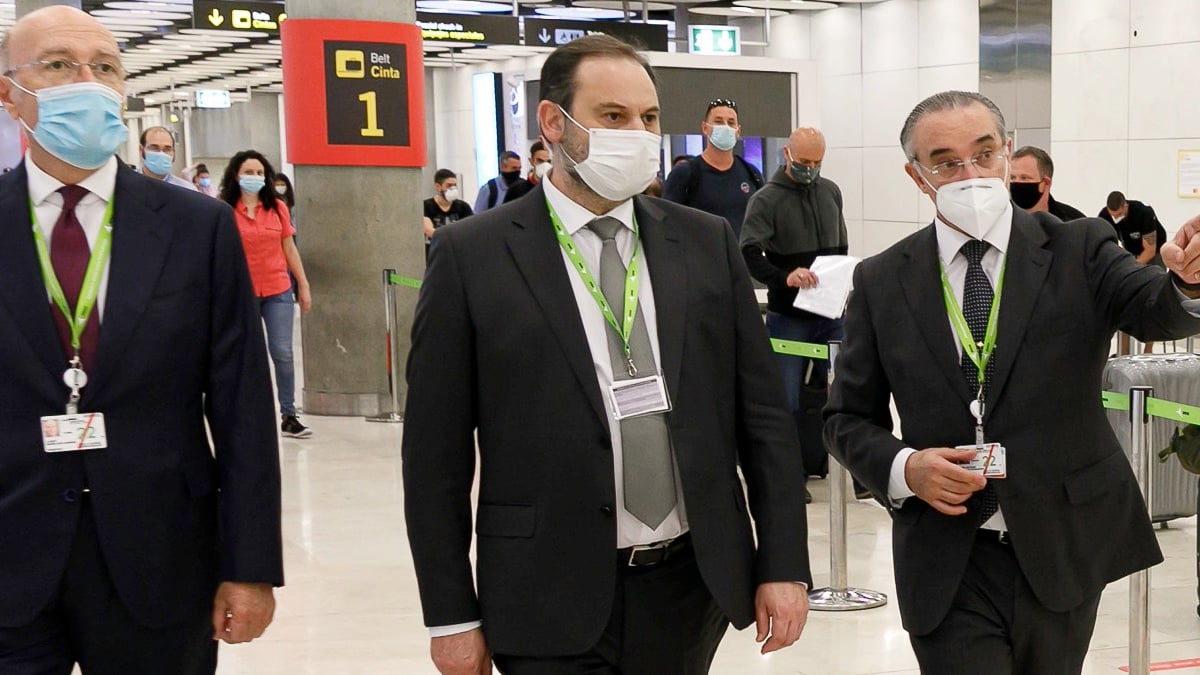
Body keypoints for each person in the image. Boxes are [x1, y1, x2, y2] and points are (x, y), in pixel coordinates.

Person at [403, 34, 811, 675]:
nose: (638, 134)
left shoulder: (704, 243)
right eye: (613, 117)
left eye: (648, 118)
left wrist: (783, 563)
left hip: (688, 586)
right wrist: (452, 615)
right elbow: (435, 456)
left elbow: (761, 415)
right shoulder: (471, 256)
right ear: (553, 123)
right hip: (543, 588)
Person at [823, 90, 1200, 675]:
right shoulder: (881, 281)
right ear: (917, 176)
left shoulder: (1079, 247)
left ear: (1005, 153)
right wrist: (904, 469)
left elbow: (1153, 307)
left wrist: (1186, 286)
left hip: (1059, 541)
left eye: (983, 153)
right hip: (946, 553)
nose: (968, 172)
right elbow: (845, 418)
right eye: (945, 161)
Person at [0, 6, 282, 672]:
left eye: (105, 68)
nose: (88, 82)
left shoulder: (196, 227)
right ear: (9, 91)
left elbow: (241, 406)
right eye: (60, 65)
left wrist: (251, 565)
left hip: (161, 557)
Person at [740, 126, 848, 502]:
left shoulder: (831, 191)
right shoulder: (766, 200)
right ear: (787, 155)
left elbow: (841, 244)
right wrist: (784, 277)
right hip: (789, 316)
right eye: (804, 162)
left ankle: (855, 468)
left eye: (818, 162)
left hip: (831, 311)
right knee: (784, 399)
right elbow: (749, 252)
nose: (811, 169)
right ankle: (788, 474)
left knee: (849, 390)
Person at [220, 150, 315, 439]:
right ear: (236, 175)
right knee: (247, 355)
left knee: (283, 352)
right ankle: (247, 413)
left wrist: (304, 284)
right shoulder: (224, 208)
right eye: (249, 172)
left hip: (277, 289)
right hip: (241, 291)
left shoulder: (277, 207)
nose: (255, 178)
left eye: (260, 173)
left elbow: (289, 247)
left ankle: (289, 414)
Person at [662, 98, 764, 238]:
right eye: (718, 122)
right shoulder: (686, 173)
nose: (726, 127)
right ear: (705, 128)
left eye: (731, 122)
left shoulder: (751, 174)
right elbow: (666, 224)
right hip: (699, 257)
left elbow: (762, 223)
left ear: (738, 131)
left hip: (741, 258)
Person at [1008, 145, 1085, 221]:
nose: (1016, 182)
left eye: (1024, 178)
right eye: (1012, 178)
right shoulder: (1001, 220)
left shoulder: (1073, 222)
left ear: (1046, 183)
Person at [1099, 190, 1166, 266]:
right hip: (1131, 249)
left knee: (1153, 274)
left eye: (1119, 214)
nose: (1116, 218)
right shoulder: (1104, 216)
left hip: (1154, 251)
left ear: (1125, 206)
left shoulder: (1143, 212)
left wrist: (1132, 268)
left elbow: (1150, 250)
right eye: (1113, 215)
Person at [422, 168, 473, 258]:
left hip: (456, 255)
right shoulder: (426, 206)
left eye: (454, 185)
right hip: (433, 255)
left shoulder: (463, 207)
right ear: (438, 186)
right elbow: (429, 231)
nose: (452, 189)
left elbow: (469, 231)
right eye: (449, 185)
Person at [137, 125, 195, 190]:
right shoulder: (126, 185)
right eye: (154, 148)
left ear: (174, 152)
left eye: (167, 149)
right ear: (141, 150)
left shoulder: (187, 190)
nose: (161, 153)